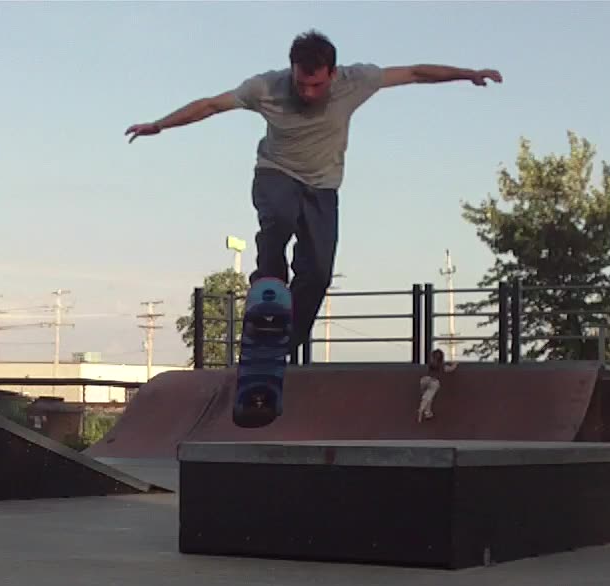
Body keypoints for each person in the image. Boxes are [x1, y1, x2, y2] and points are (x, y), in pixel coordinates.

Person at [126, 30, 502, 359]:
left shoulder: (357, 80)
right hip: (276, 174)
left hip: (323, 188)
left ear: (333, 74)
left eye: (317, 85)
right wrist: (160, 125)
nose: (307, 93)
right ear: (291, 69)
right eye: (301, 84)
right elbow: (211, 105)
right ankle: (268, 282)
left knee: (319, 273)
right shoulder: (265, 87)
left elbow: (416, 73)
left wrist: (467, 74)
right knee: (280, 217)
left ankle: (284, 343)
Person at [418, 348, 457, 422]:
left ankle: (427, 412)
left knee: (428, 396)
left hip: (424, 380)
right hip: (434, 381)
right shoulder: (442, 366)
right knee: (429, 395)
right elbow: (451, 369)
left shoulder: (431, 364)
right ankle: (422, 408)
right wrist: (455, 364)